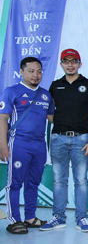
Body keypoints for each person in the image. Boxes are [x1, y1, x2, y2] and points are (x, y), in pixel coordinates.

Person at [39, 49, 88, 233]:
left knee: (81, 180)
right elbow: (49, 113)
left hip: (82, 140)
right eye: (66, 61)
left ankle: (82, 218)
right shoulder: (54, 86)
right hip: (58, 138)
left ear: (79, 64)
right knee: (59, 180)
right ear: (61, 64)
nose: (70, 64)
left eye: (74, 61)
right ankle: (58, 217)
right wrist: (61, 124)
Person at [0, 57, 55, 234]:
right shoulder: (12, 91)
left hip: (39, 145)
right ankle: (14, 220)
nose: (35, 75)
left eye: (39, 71)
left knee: (33, 182)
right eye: (31, 71)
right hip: (19, 143)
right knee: (14, 183)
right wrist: (2, 144)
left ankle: (30, 217)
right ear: (22, 71)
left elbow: (53, 119)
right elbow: (3, 119)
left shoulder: (46, 94)